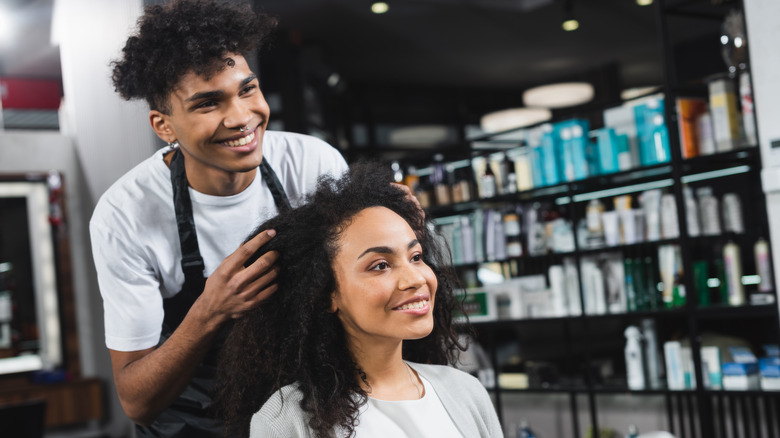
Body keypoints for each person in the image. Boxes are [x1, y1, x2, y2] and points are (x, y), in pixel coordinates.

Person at [89, 1, 348, 437]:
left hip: (299, 415)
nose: (242, 117)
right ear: (163, 125)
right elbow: (136, 401)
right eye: (209, 103)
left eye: (247, 90)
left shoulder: (312, 163)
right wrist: (209, 312)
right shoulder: (125, 215)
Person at [215, 162, 504, 438]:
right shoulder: (286, 419)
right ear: (325, 293)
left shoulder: (465, 392)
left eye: (416, 257)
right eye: (380, 265)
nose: (416, 279)